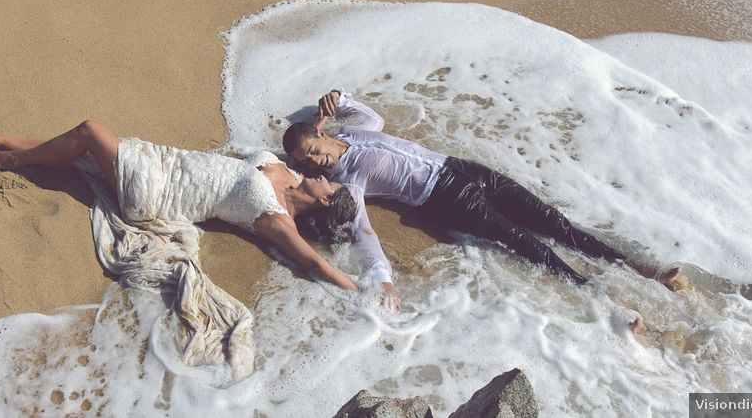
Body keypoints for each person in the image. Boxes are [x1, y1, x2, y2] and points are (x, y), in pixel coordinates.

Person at [283, 90, 685, 310]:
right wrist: (383, 280)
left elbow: (374, 119)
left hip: (464, 169)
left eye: (314, 150)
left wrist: (341, 98)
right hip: (446, 198)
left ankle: (639, 268)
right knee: (525, 243)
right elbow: (364, 230)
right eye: (308, 162)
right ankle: (608, 301)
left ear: (321, 135)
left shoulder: (354, 135)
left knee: (554, 221)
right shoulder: (347, 181)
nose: (318, 162)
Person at [0, 121, 359, 292]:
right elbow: (306, 142)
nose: (327, 171)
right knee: (81, 149)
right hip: (167, 161)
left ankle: (13, 158)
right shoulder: (287, 172)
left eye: (330, 179)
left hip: (157, 192)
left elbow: (316, 264)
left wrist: (364, 292)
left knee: (91, 131)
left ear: (324, 198)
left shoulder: (278, 221)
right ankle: (2, 139)